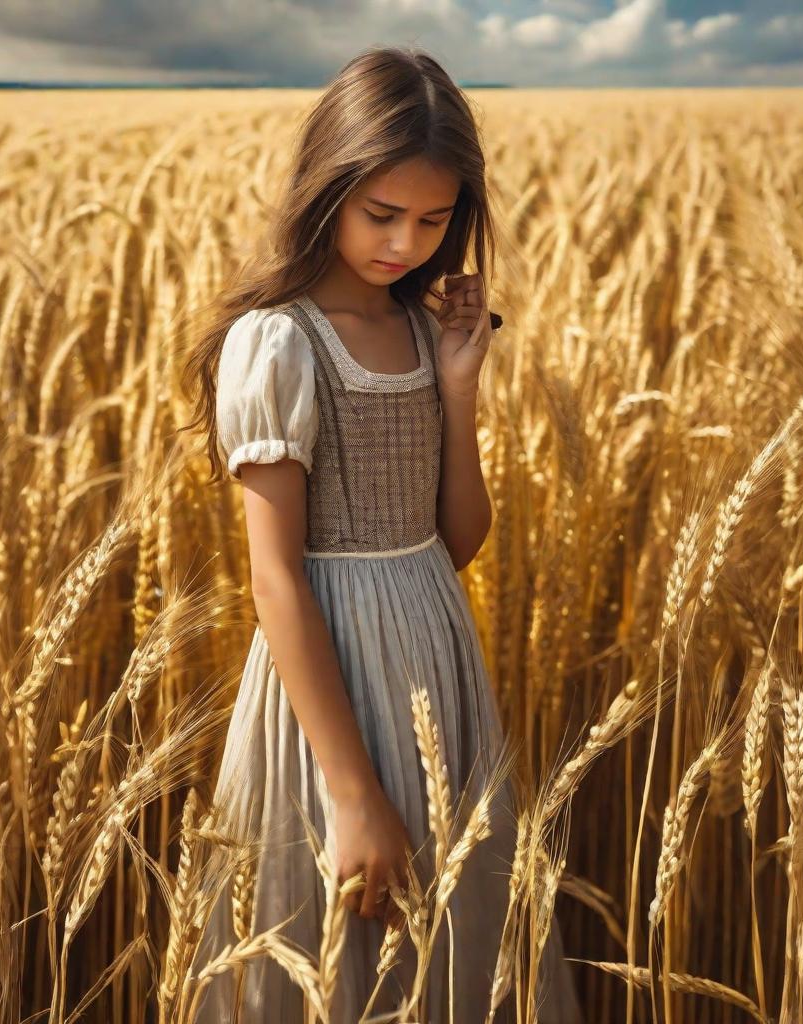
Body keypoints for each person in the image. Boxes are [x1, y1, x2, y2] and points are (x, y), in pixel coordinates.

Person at [183, 45, 583, 1023]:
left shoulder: (419, 326)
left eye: (435, 220)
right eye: (382, 214)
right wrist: (351, 790)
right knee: (332, 944)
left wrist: (458, 384)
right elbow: (274, 578)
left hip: (437, 658)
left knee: (451, 946)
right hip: (330, 685)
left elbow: (457, 539)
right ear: (329, 185)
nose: (407, 242)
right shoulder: (279, 341)